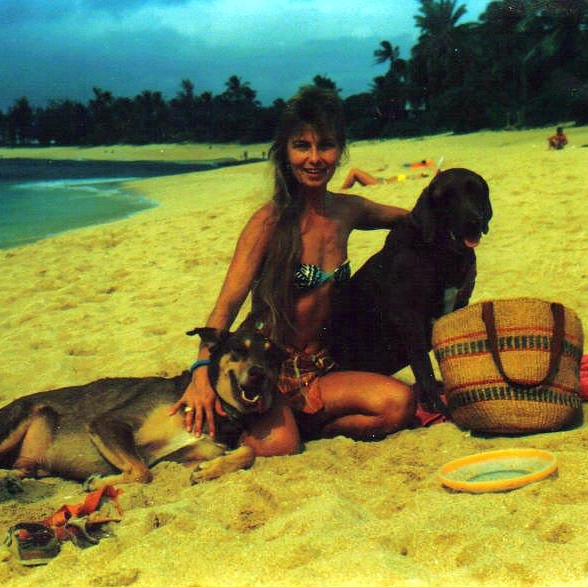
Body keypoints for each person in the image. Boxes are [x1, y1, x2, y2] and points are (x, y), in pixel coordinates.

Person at [171, 85, 416, 458]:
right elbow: (226, 307)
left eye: (326, 146)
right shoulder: (268, 222)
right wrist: (201, 371)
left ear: (340, 151)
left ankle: (308, 427)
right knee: (282, 446)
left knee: (398, 404)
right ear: (285, 153)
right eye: (302, 146)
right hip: (265, 371)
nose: (315, 158)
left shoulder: (349, 211)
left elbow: (412, 220)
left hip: (323, 369)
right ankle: (280, 428)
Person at [339, 167, 430, 189]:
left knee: (354, 171)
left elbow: (403, 178)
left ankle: (342, 190)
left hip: (379, 183)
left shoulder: (406, 179)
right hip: (380, 180)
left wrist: (416, 177)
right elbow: (403, 177)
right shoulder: (406, 178)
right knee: (354, 172)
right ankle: (343, 189)